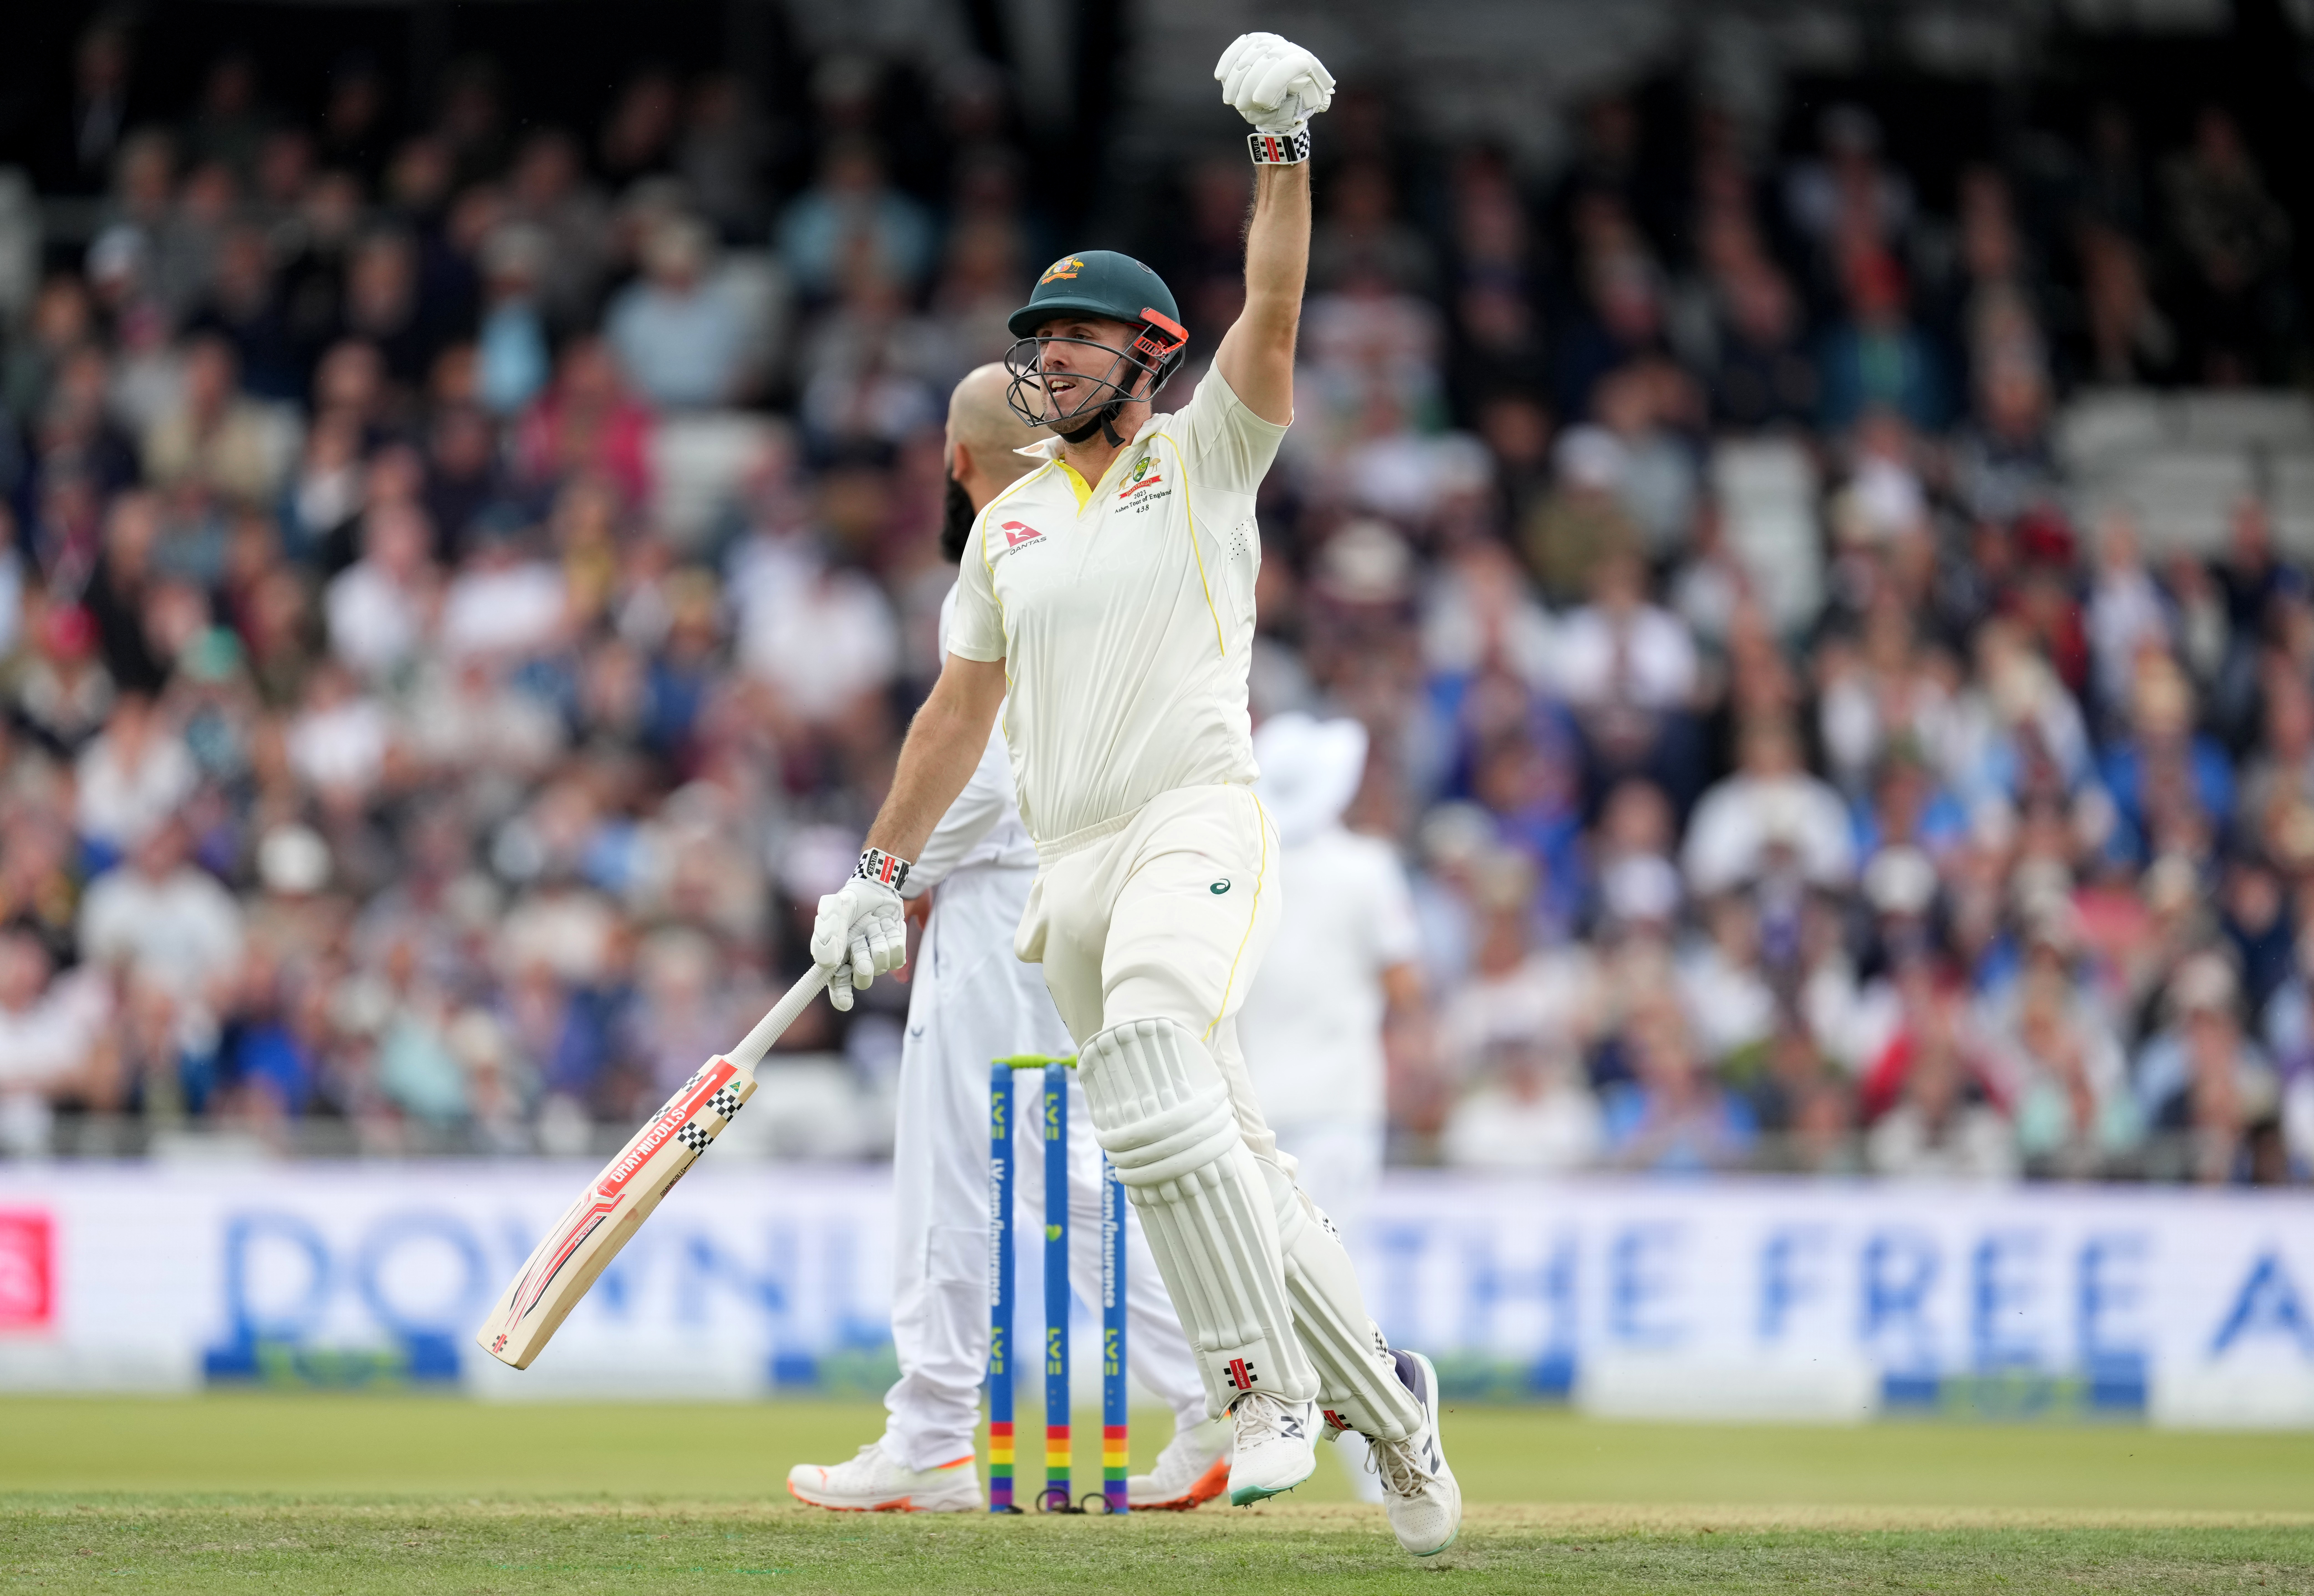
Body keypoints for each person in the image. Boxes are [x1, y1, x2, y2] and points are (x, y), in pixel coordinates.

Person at [804, 33, 1460, 1557]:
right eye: (1044, 339)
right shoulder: (1010, 529)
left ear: (1151, 354)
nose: (1054, 357)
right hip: (1071, 877)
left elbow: (1278, 304)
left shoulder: (1208, 457)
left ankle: (1253, 1397)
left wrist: (1282, 152)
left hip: (1196, 821)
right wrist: (875, 876)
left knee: (1159, 1047)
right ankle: (1391, 1412)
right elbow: (957, 711)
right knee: (1220, 1147)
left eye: (1085, 339)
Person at [787, 368, 1224, 1514]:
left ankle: (945, 1432)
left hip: (1010, 913)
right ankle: (1211, 1391)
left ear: (959, 458)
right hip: (1071, 906)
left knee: (977, 1174)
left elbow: (984, 762)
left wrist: (882, 883)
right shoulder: (1091, 545)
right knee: (1055, 1174)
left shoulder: (1021, 551)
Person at [1235, 711, 1428, 1503]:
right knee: (1338, 1288)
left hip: (1253, 1117)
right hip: (1340, 1114)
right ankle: (1394, 1454)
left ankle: (1279, 1433)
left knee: (1270, 1291)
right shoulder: (1368, 869)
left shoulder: (1242, 866)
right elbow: (1405, 988)